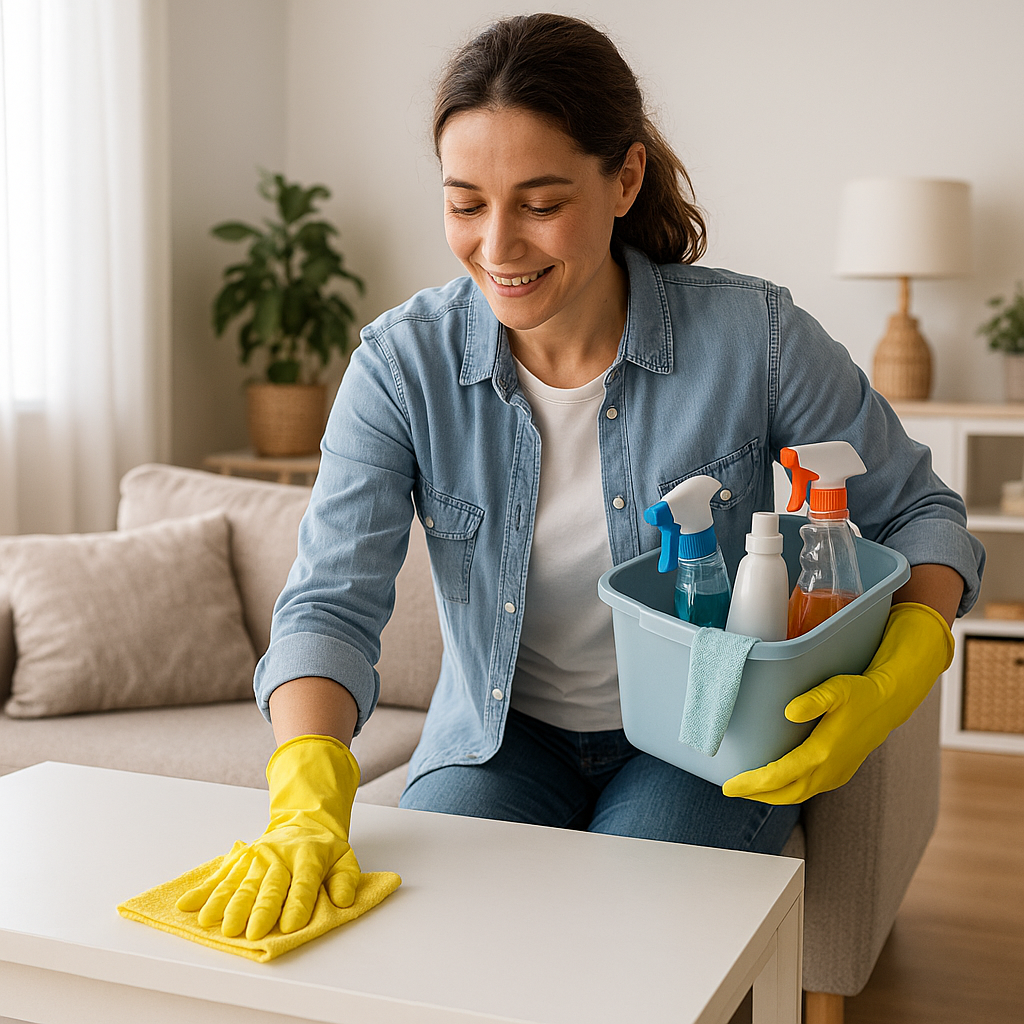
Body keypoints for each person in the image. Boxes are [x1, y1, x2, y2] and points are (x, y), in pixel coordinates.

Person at [180, 13, 984, 941]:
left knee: (628, 930)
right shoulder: (401, 369)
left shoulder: (754, 339)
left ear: (625, 179)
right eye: (466, 204)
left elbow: (921, 515)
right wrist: (304, 794)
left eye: (540, 203)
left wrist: (901, 667)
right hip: (499, 739)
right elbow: (329, 603)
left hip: (705, 728)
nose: (497, 246)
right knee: (429, 937)